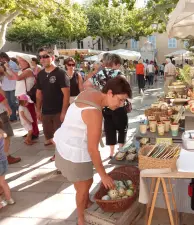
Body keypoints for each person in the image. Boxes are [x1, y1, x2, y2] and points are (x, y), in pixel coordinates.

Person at [54, 76, 132, 225]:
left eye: (124, 101)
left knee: (85, 181)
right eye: (120, 100)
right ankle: (81, 219)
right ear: (110, 93)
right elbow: (93, 150)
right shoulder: (94, 113)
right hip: (74, 151)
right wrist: (104, 175)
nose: (121, 104)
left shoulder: (90, 92)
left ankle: (86, 203)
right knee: (83, 188)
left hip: (64, 142)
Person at [84, 54, 128, 158]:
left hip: (105, 106)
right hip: (118, 105)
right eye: (119, 64)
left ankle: (111, 153)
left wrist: (98, 94)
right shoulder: (119, 74)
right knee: (122, 128)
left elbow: (86, 85)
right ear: (116, 64)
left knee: (109, 128)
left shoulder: (100, 73)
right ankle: (120, 150)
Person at [36, 47, 70, 156]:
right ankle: (59, 154)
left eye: (45, 56)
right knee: (49, 136)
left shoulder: (60, 73)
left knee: (60, 136)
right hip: (46, 111)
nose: (42, 59)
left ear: (52, 57)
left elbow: (66, 94)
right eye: (40, 57)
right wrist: (38, 110)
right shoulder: (40, 74)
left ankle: (61, 157)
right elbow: (39, 93)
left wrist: (64, 112)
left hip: (58, 111)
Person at [14, 55, 39, 139]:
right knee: (25, 115)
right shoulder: (22, 70)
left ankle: (34, 132)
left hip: (27, 97)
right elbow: (11, 77)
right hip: (22, 96)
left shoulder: (28, 70)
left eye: (20, 60)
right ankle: (30, 131)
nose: (19, 62)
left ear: (26, 62)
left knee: (31, 115)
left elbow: (18, 78)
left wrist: (9, 69)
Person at [0, 89, 20, 164]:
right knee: (6, 136)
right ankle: (6, 157)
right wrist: (8, 108)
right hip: (1, 113)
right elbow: (1, 97)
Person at [0, 52, 19, 122]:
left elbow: (14, 75)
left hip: (13, 86)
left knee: (13, 102)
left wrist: (5, 69)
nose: (1, 60)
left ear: (5, 57)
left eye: (1, 58)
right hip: (5, 86)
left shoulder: (12, 64)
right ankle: (13, 117)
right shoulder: (1, 64)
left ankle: (18, 114)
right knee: (9, 102)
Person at [0, 128, 15, 209]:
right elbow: (5, 135)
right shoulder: (2, 132)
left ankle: (0, 203)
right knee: (3, 182)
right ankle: (9, 199)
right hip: (3, 161)